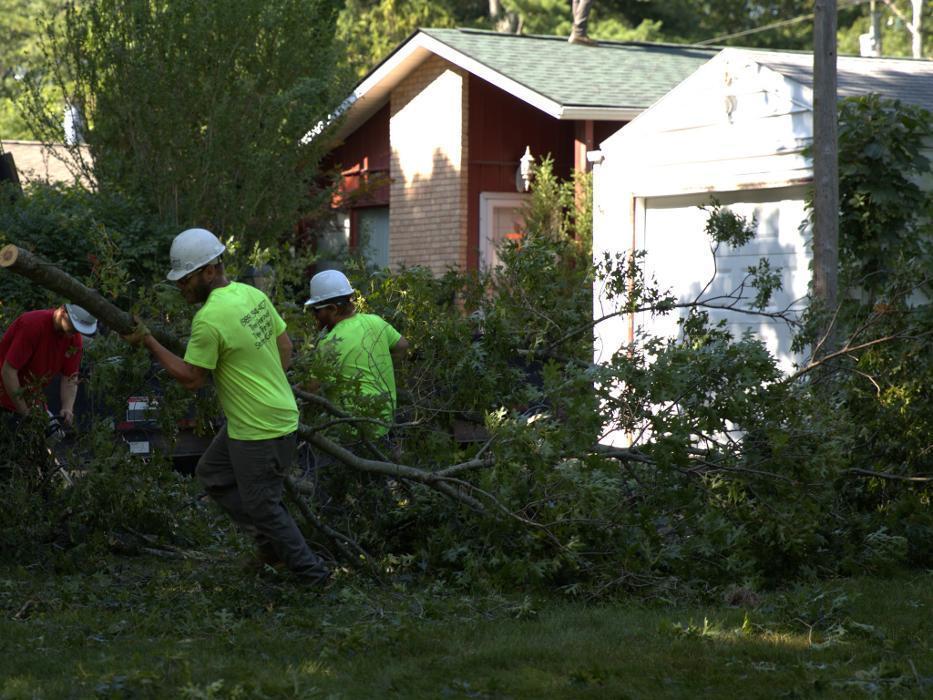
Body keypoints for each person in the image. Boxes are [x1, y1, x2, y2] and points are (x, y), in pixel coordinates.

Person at [122, 227, 329, 584]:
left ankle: (313, 575)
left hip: (258, 430)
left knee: (264, 507)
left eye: (185, 280)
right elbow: (285, 347)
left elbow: (191, 378)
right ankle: (272, 546)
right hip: (268, 418)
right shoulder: (251, 295)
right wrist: (268, 384)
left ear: (208, 271)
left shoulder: (210, 318)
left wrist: (149, 342)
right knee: (213, 473)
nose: (180, 287)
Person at [304, 270, 409, 442]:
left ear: (333, 309)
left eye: (316, 311)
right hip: (385, 424)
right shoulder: (375, 321)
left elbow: (311, 389)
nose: (314, 316)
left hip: (352, 434)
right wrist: (386, 365)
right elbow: (403, 345)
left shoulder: (331, 343)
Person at [0, 304, 97, 435]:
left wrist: (67, 408)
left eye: (77, 330)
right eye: (73, 327)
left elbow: (70, 377)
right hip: (4, 394)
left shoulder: (74, 340)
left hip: (32, 399)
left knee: (55, 435)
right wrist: (25, 413)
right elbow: (8, 371)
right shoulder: (32, 325)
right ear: (62, 312)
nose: (73, 333)